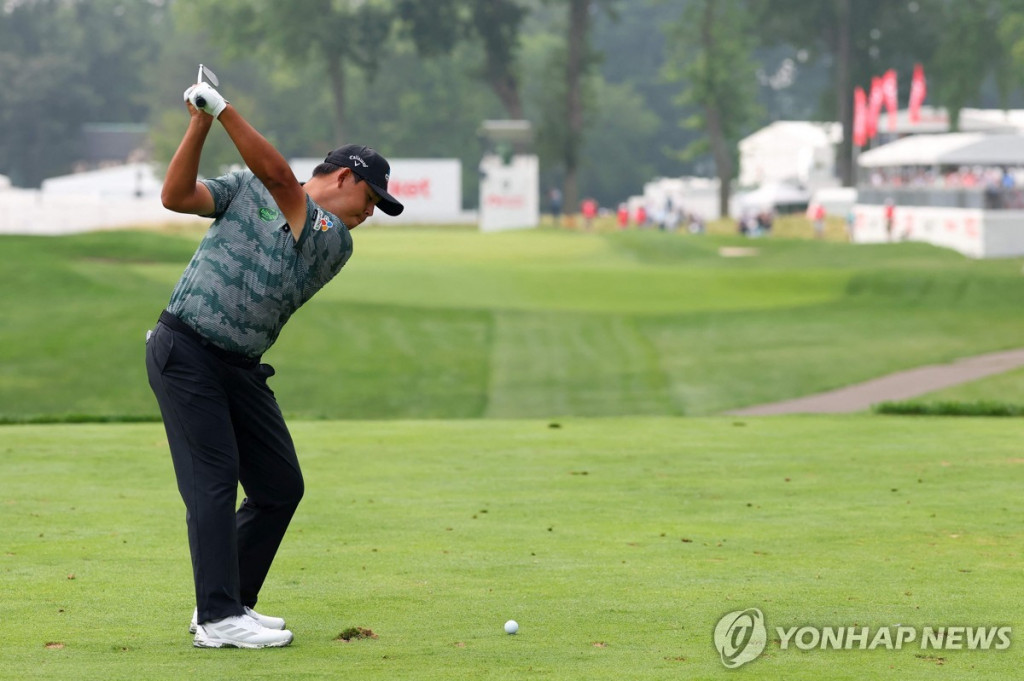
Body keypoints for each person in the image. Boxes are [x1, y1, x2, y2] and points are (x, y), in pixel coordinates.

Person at [146, 78, 404, 649]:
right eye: (370, 200)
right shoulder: (245, 186)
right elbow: (177, 196)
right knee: (214, 481)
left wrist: (223, 109)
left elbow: (282, 182)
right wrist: (200, 123)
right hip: (185, 350)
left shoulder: (333, 238)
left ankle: (228, 601)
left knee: (279, 486)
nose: (370, 213)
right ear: (346, 177)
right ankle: (218, 619)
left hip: (239, 367)